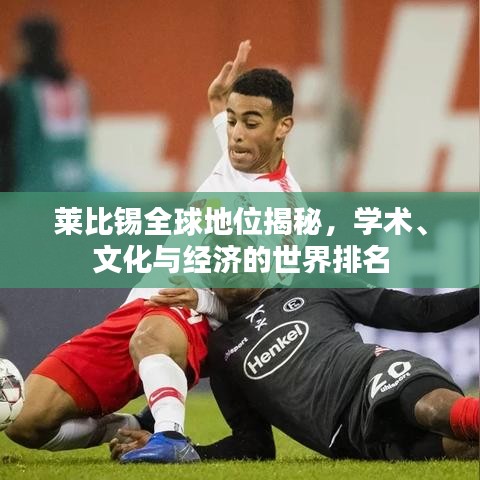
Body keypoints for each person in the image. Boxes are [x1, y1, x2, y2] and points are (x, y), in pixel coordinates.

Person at [6, 43, 304, 463]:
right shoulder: (238, 153)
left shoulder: (285, 208)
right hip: (138, 310)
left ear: (283, 126)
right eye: (231, 120)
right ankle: (130, 426)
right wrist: (218, 99)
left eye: (250, 123)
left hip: (191, 320)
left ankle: (170, 437)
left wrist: (203, 295)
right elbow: (229, 117)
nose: (236, 133)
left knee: (152, 334)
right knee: (26, 421)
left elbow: (255, 296)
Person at [114, 286, 479, 462]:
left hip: (375, 373)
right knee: (464, 448)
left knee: (435, 411)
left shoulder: (315, 288)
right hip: (352, 440)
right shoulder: (222, 350)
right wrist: (187, 451)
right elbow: (253, 447)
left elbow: (424, 312)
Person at [0, 15, 91, 191]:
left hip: (29, 195)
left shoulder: (17, 93)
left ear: (26, 46)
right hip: (75, 192)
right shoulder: (79, 89)